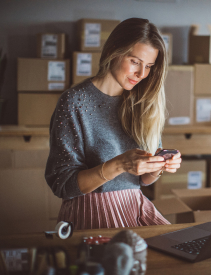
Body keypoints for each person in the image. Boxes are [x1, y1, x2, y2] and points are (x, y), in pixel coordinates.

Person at [45, 18, 182, 230]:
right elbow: (62, 184)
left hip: (135, 206)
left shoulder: (143, 102)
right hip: (90, 213)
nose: (141, 74)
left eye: (149, 66)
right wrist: (118, 165)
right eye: (135, 62)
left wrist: (158, 166)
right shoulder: (74, 102)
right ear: (114, 51)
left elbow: (142, 180)